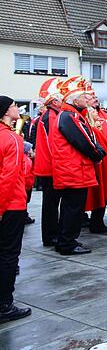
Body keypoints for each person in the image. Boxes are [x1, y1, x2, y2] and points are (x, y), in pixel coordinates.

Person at [49, 76, 105, 255]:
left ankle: (66, 241)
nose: (86, 98)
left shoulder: (67, 115)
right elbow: (83, 141)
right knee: (73, 209)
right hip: (73, 170)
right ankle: (67, 243)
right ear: (74, 99)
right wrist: (97, 153)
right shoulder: (69, 116)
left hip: (71, 170)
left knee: (70, 208)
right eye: (82, 95)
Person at [0, 96, 32, 324]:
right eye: (13, 106)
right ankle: (4, 304)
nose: (17, 109)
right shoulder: (11, 139)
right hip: (10, 204)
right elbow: (9, 177)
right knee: (9, 254)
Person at [32, 79, 63, 247]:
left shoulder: (49, 116)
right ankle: (50, 235)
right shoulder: (51, 117)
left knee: (50, 203)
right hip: (50, 167)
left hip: (47, 166)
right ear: (54, 102)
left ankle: (51, 233)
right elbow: (54, 143)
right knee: (51, 204)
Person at [84, 84, 107, 234]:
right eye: (91, 97)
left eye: (95, 96)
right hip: (98, 161)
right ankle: (94, 222)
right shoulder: (85, 118)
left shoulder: (105, 115)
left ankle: (99, 219)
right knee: (98, 192)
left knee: (106, 191)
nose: (95, 99)